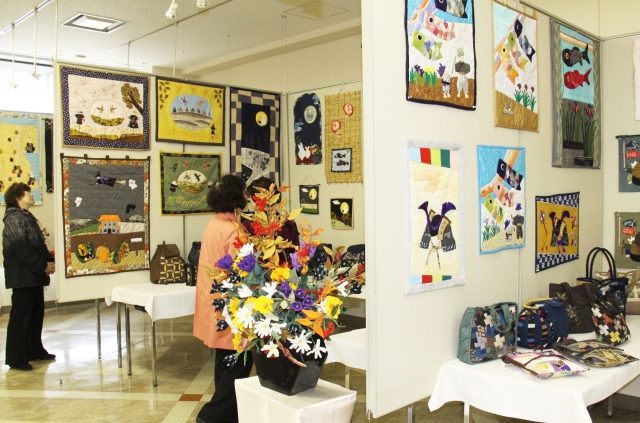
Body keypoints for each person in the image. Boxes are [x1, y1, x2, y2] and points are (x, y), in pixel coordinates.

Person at [194, 174, 252, 423]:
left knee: (224, 358)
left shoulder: (214, 223)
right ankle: (212, 415)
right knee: (239, 361)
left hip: (214, 298)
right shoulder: (233, 230)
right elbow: (242, 270)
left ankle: (230, 416)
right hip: (231, 302)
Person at [3, 183, 56, 371]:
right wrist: (42, 266)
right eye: (28, 192)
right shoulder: (14, 218)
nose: (31, 195)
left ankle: (34, 350)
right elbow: (22, 250)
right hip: (23, 277)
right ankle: (16, 358)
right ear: (18, 197)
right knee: (21, 317)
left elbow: (37, 244)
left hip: (33, 275)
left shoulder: (26, 216)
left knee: (35, 314)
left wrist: (49, 261)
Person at [245, 176, 300, 263]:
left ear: (254, 199)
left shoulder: (250, 224)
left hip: (260, 269)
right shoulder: (288, 221)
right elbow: (296, 252)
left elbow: (246, 254)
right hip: (286, 268)